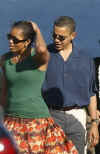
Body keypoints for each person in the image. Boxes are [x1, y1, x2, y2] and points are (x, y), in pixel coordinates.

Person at [0, 20, 78, 154]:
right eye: (9, 37)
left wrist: (36, 29)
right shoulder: (5, 60)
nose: (10, 42)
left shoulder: (38, 58)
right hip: (11, 121)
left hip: (36, 121)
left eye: (15, 40)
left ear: (27, 41)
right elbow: (3, 91)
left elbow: (42, 49)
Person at [42, 16, 99, 154]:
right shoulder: (44, 56)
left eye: (61, 37)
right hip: (51, 115)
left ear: (73, 35)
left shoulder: (86, 60)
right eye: (54, 35)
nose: (56, 40)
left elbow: (91, 94)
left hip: (77, 116)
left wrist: (94, 124)